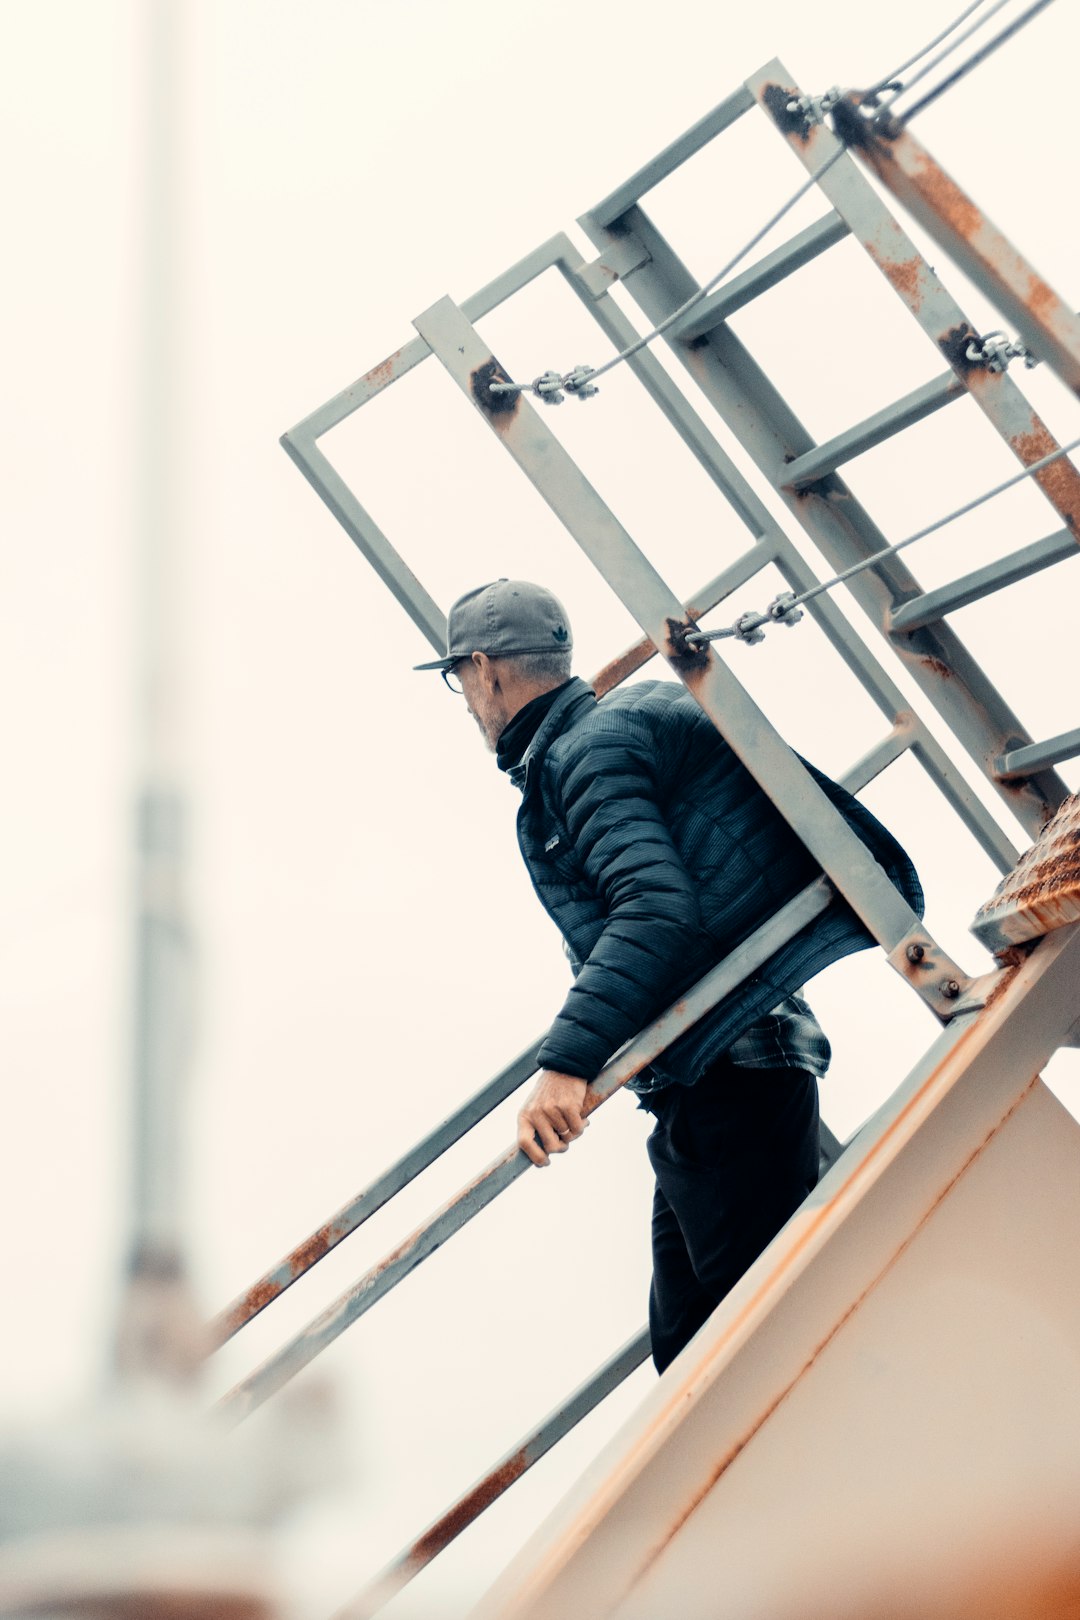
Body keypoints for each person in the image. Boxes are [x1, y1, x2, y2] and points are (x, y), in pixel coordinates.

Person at [415, 578, 922, 1374]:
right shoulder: (605, 735)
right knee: (693, 1347)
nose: (464, 700)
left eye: (458, 679)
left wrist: (565, 1064)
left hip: (731, 1069)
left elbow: (655, 912)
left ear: (485, 670)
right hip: (714, 1072)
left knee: (748, 1354)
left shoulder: (587, 754)